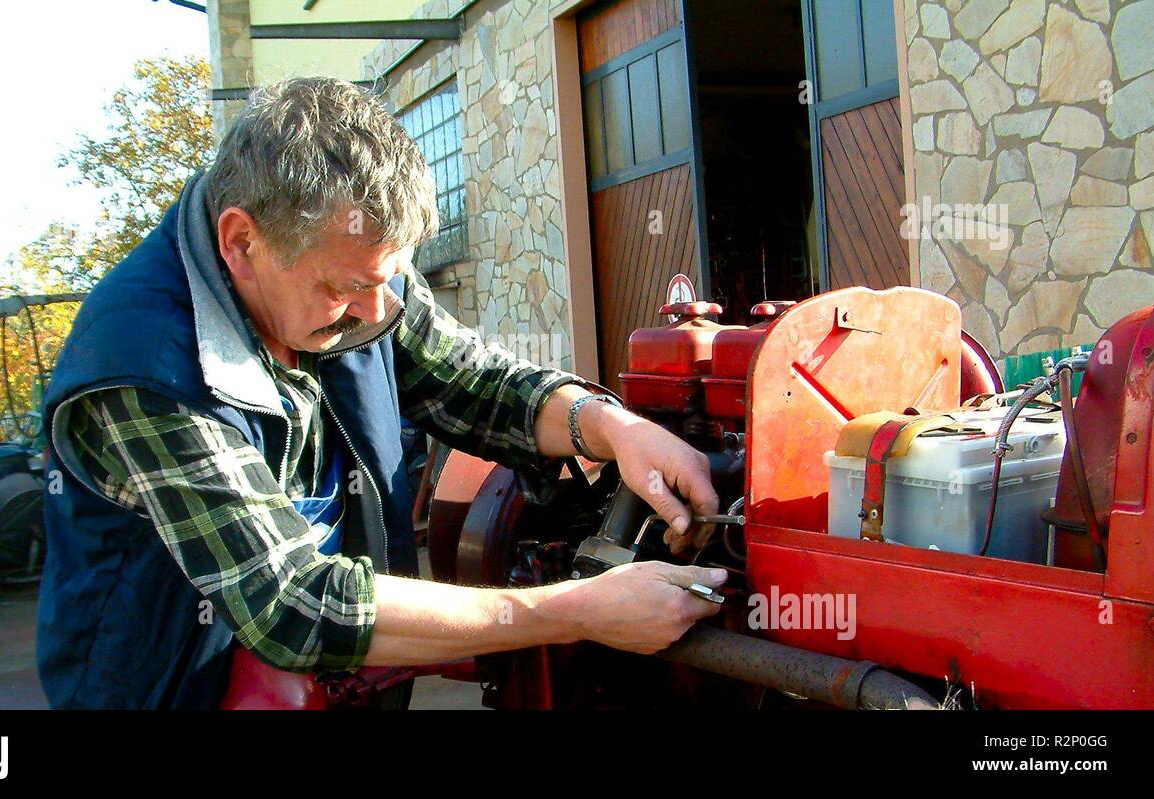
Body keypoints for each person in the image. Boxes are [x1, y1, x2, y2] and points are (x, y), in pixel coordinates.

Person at [36, 76, 725, 709]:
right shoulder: (145, 372)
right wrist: (574, 609)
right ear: (241, 242)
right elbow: (293, 603)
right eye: (345, 288)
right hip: (173, 689)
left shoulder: (357, 271)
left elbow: (477, 384)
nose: (375, 310)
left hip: (334, 687)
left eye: (388, 278)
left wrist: (611, 426)